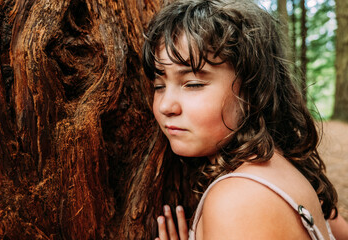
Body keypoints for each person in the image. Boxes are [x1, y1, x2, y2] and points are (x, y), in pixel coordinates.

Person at [142, 0, 348, 239]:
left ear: (253, 89)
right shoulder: (291, 168)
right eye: (159, 85)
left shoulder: (238, 200)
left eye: (193, 84)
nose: (166, 106)